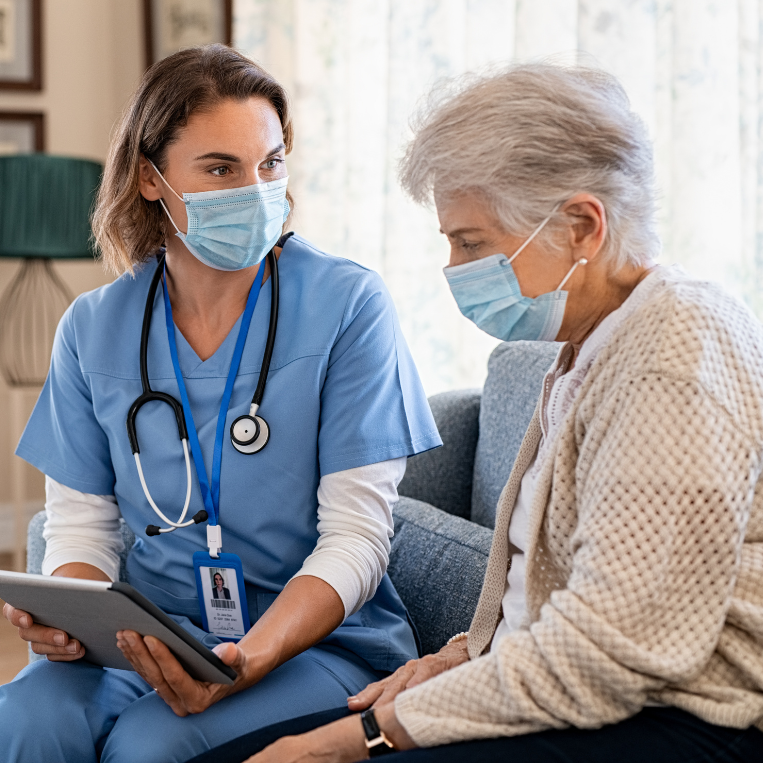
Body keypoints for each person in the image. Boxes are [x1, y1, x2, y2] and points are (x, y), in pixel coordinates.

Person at [236, 63, 763, 762]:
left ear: (581, 225)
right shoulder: (590, 346)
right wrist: (462, 656)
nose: (453, 267)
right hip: (588, 698)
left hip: (680, 722)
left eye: (472, 242)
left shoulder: (672, 357)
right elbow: (554, 595)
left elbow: (609, 655)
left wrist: (362, 736)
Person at [0, 44, 442, 763]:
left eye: (271, 164)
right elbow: (81, 528)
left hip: (310, 646)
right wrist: (67, 615)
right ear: (151, 179)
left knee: (150, 747)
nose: (256, 190)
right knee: (27, 724)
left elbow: (357, 538)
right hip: (149, 636)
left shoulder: (347, 305)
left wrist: (244, 661)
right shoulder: (95, 327)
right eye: (222, 168)